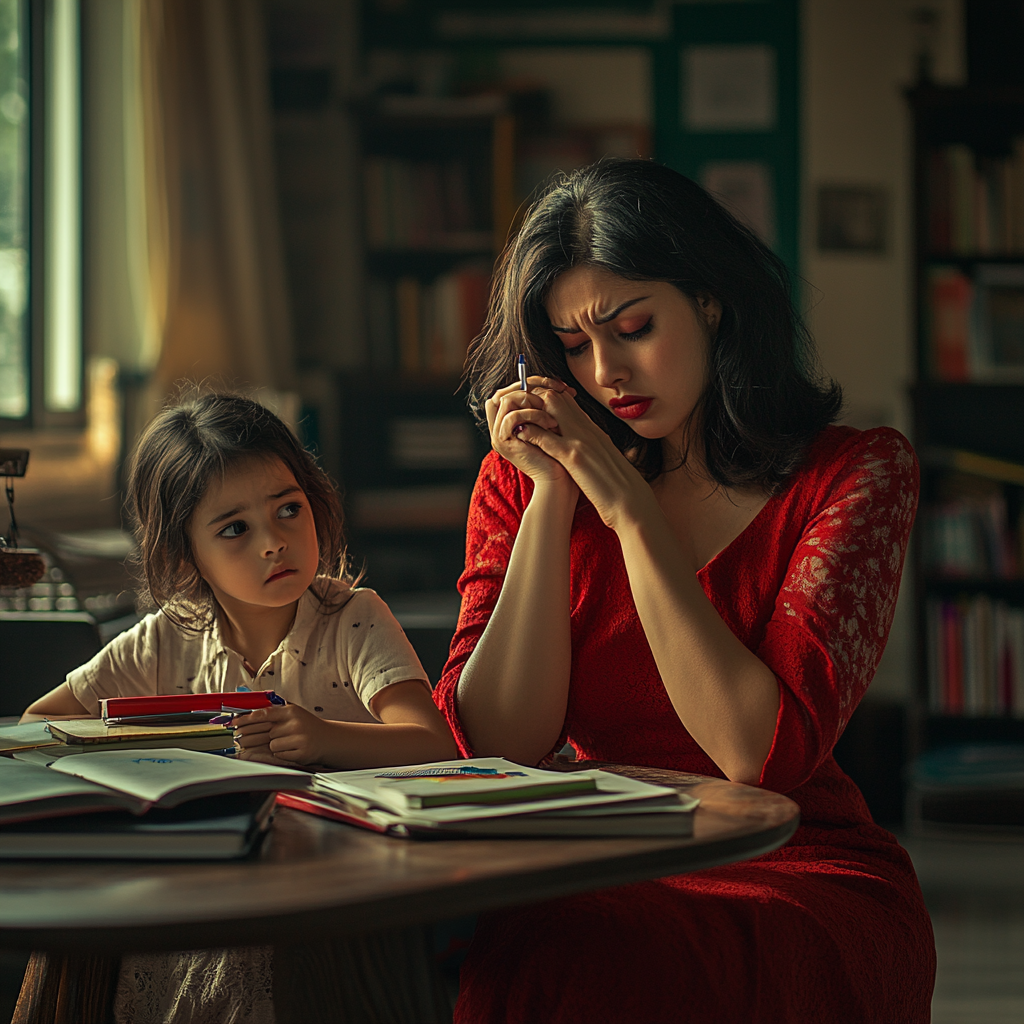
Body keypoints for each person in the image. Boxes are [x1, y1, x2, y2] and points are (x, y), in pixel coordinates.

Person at [433, 159, 935, 1023]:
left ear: (709, 300)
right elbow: (498, 747)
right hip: (593, 847)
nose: (605, 374)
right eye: (574, 347)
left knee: (617, 961)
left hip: (790, 856)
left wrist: (631, 514)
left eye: (632, 327)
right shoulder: (520, 481)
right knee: (530, 948)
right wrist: (555, 500)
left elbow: (757, 756)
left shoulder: (854, 473)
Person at [23, 389, 458, 1024]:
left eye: (289, 510)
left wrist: (322, 738)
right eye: (234, 529)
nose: (273, 543)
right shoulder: (167, 636)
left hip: (331, 888)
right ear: (184, 553)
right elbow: (41, 724)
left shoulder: (352, 618)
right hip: (198, 879)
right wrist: (152, 753)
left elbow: (431, 742)